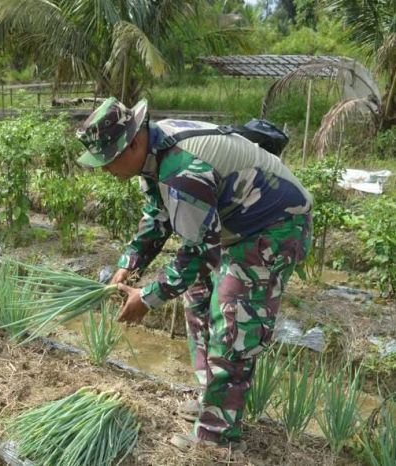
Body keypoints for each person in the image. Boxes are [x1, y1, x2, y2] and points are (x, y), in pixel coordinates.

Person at [75, 97, 312, 450]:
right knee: (198, 297)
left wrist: (148, 298)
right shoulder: (154, 153)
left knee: (234, 319)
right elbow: (158, 217)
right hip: (234, 227)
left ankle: (216, 436)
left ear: (133, 143)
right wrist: (129, 264)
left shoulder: (183, 171)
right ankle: (210, 400)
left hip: (275, 227)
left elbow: (200, 252)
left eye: (108, 160)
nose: (106, 170)